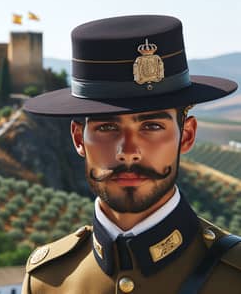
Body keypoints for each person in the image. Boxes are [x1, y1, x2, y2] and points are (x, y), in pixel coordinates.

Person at [21, 15, 241, 293]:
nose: (128, 152)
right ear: (79, 138)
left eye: (151, 126)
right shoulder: (45, 281)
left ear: (186, 136)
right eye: (108, 127)